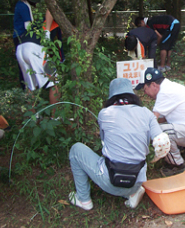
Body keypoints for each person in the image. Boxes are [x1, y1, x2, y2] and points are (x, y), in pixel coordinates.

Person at [68, 78, 169, 211]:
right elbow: (162, 141)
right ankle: (133, 192)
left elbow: (104, 143)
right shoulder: (146, 113)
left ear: (111, 97)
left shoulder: (104, 114)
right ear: (132, 95)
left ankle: (83, 199)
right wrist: (155, 157)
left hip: (111, 181)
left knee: (76, 150)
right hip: (137, 180)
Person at [136, 67, 185, 176]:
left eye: (145, 89)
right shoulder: (169, 87)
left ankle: (176, 164)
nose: (145, 93)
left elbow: (152, 122)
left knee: (161, 133)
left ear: (154, 85)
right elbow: (162, 118)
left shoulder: (165, 93)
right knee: (162, 127)